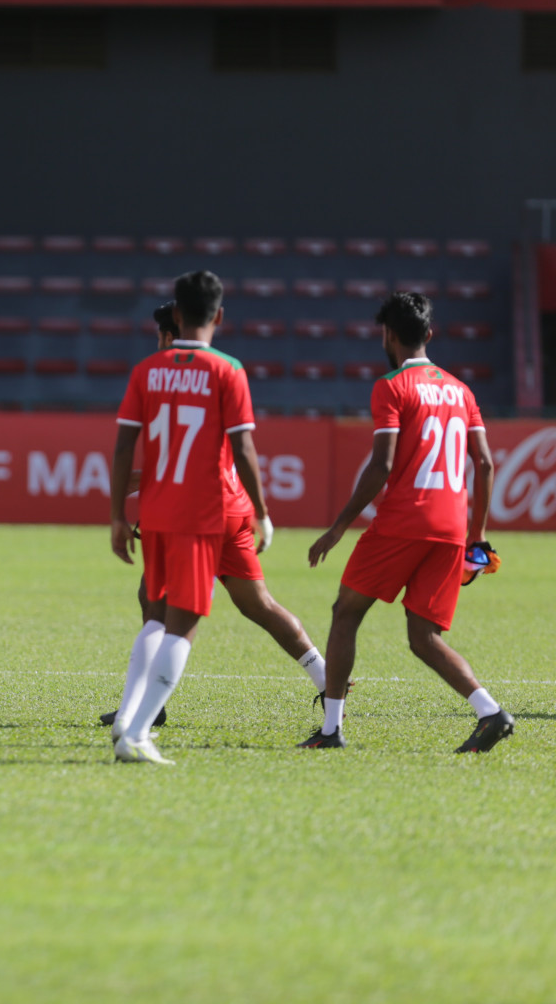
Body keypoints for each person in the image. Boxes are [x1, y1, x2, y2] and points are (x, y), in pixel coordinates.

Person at [100, 302, 329, 734]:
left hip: (196, 512)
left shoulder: (157, 375)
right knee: (257, 604)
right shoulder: (223, 373)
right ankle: (326, 677)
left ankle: (142, 713)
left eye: (159, 336)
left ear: (170, 335)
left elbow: (173, 452)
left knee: (160, 609)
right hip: (233, 506)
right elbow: (219, 448)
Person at [302, 292, 512, 753]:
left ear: (388, 335)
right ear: (430, 335)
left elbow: (382, 464)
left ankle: (332, 730)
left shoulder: (392, 386)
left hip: (404, 521)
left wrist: (338, 526)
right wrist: (476, 535)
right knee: (423, 637)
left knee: (346, 613)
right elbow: (486, 464)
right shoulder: (462, 390)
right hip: (452, 527)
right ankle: (491, 712)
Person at [108, 271, 272, 764]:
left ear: (176, 314)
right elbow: (242, 447)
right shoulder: (228, 370)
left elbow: (122, 447)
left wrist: (117, 515)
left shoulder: (147, 370)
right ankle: (136, 735)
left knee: (156, 616)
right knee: (185, 624)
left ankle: (125, 719)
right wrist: (262, 512)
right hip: (199, 516)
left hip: (155, 513)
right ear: (219, 316)